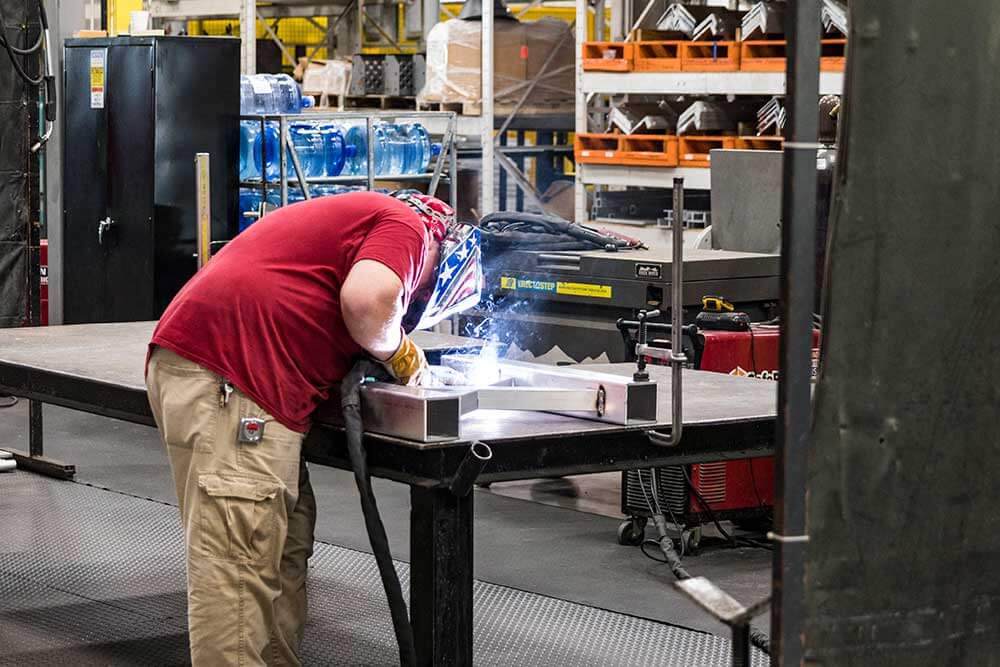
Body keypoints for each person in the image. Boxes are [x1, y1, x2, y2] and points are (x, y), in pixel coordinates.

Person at [145, 190, 481, 666]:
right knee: (241, 564)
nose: (413, 302)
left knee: (282, 544)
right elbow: (368, 305)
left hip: (233, 377)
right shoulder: (410, 225)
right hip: (234, 380)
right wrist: (403, 354)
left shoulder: (351, 219)